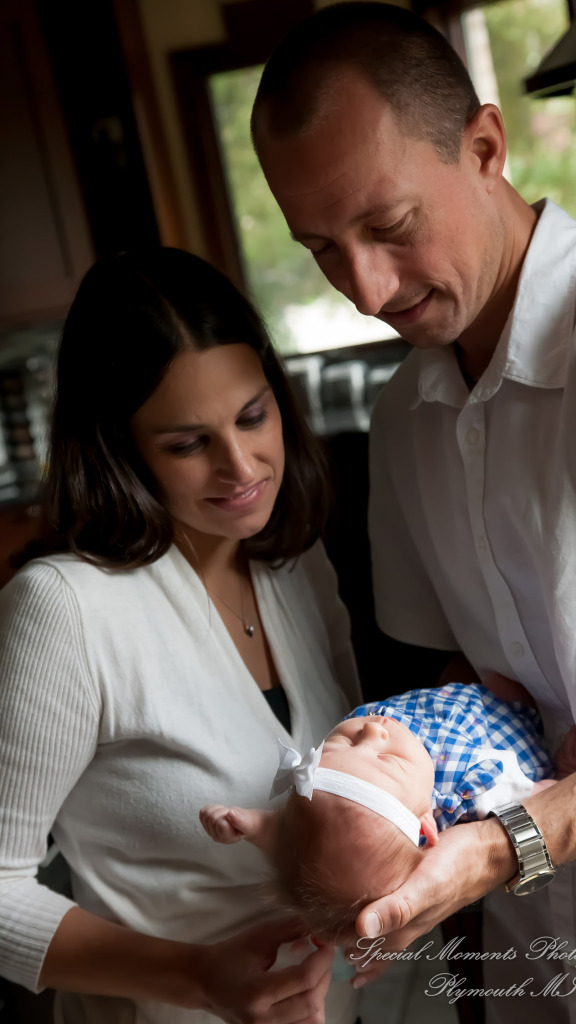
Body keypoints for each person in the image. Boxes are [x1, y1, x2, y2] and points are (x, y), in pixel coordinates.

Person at [249, 3, 576, 1022]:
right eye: (321, 248)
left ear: (485, 147)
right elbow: (465, 685)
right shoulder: (405, 416)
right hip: (544, 975)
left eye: (388, 226)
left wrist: (504, 843)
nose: (364, 289)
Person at [0, 247, 363, 1024]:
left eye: (253, 416)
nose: (241, 466)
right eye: (188, 444)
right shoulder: (64, 610)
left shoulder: (294, 561)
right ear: (120, 449)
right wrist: (196, 977)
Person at [201, 674, 570, 941]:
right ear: (425, 826)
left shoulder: (384, 772)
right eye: (389, 759)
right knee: (560, 751)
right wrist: (558, 780)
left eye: (344, 742)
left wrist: (257, 825)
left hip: (466, 699)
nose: (374, 730)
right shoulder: (472, 793)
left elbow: (306, 841)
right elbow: (542, 799)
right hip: (514, 727)